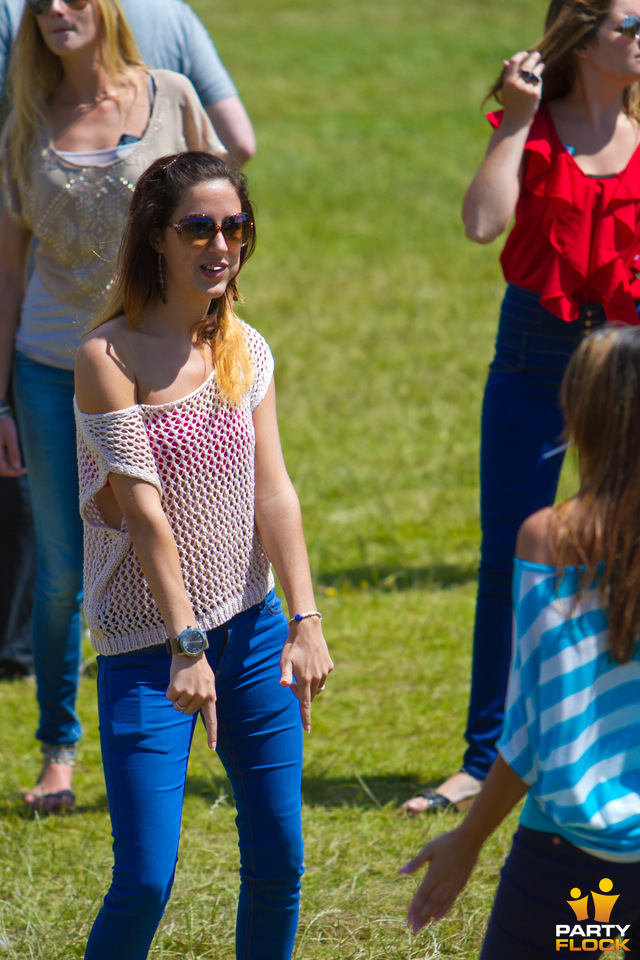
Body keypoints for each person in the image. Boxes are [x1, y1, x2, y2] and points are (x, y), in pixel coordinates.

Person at [74, 150, 333, 960]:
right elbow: (142, 510)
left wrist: (305, 618)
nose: (221, 244)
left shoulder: (245, 348)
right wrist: (187, 644)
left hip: (253, 634)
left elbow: (275, 492)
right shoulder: (106, 359)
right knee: (147, 879)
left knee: (279, 860)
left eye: (235, 227)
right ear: (156, 236)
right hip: (150, 645)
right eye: (198, 228)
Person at [403, 0, 640, 815]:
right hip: (538, 348)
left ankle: (611, 743)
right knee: (513, 555)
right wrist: (516, 119)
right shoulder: (534, 127)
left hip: (631, 359)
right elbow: (480, 223)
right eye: (630, 26)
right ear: (582, 37)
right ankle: (484, 758)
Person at [0, 0, 226, 813]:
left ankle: (216, 708)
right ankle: (60, 750)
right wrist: (0, 400)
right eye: (40, 1)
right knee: (64, 570)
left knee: (192, 531)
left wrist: (219, 343)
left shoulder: (169, 97)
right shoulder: (24, 119)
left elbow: (218, 230)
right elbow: (7, 273)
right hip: (51, 370)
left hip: (159, 363)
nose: (57, 10)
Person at [401, 325, 640, 959]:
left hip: (572, 870)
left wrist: (468, 841)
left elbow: (535, 724)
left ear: (582, 415)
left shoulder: (549, 540)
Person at [0, 0, 256, 165]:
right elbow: (238, 142)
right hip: (157, 246)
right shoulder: (171, 11)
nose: (55, 9)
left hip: (39, 246)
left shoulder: (9, 9)